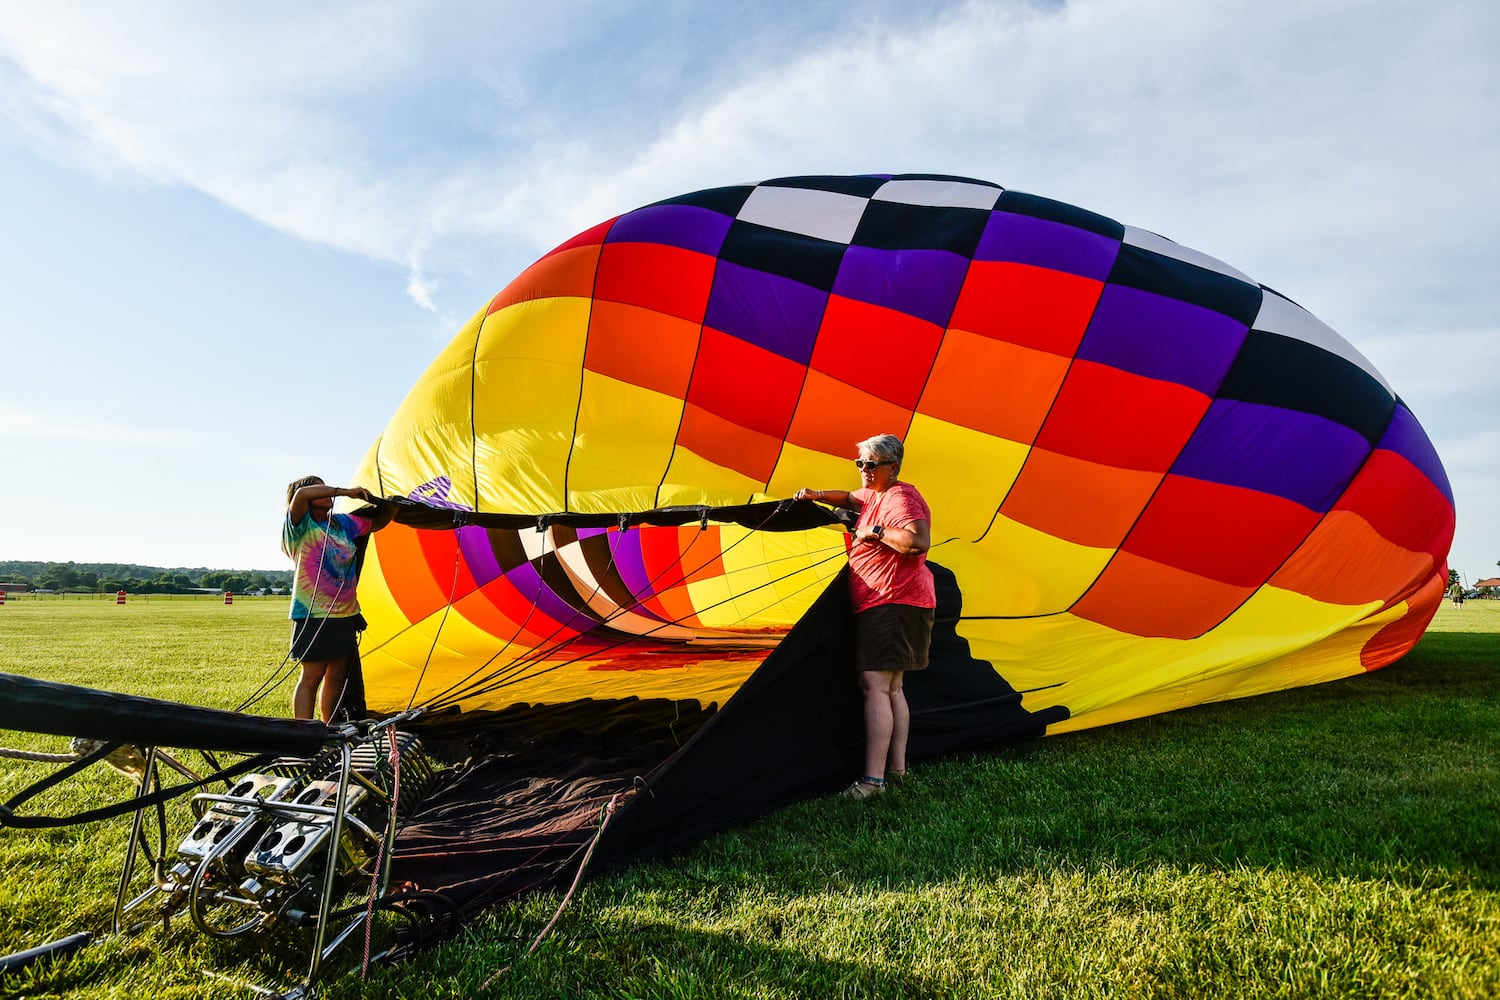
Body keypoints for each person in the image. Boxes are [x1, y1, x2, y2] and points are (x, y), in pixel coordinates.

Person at [795, 434, 934, 799]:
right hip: (897, 602)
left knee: (875, 687)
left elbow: (918, 541)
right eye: (860, 463)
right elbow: (851, 497)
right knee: (892, 688)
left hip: (892, 600)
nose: (863, 470)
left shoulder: (902, 497)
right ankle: (898, 772)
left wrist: (874, 531)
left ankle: (872, 782)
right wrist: (818, 495)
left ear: (893, 467)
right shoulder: (875, 493)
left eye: (871, 464)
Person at [282, 476, 393, 722]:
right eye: (320, 489)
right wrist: (346, 492)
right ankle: (301, 732)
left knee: (337, 674)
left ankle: (328, 728)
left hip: (345, 614)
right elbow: (301, 496)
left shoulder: (343, 524)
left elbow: (378, 522)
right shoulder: (300, 526)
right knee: (312, 675)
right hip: (313, 615)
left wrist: (395, 504)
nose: (328, 494)